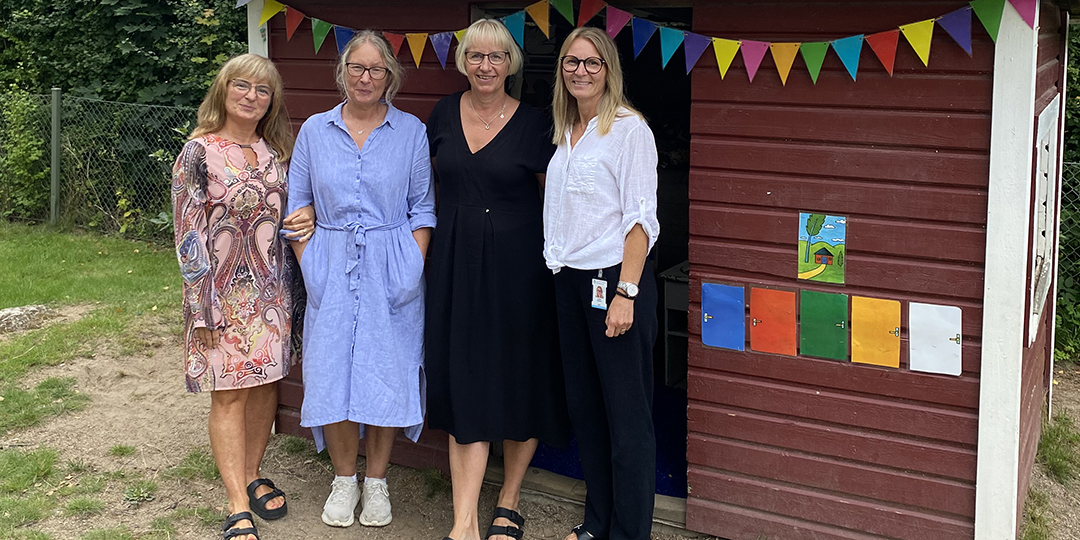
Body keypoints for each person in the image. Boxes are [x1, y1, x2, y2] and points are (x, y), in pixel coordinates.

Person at [425, 18, 569, 540]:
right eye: (476, 56)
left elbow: (558, 200)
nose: (485, 66)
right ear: (463, 62)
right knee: (466, 375)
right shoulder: (441, 114)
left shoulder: (536, 123)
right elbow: (419, 188)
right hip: (455, 262)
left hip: (520, 265)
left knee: (520, 373)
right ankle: (463, 520)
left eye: (496, 57)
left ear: (511, 64)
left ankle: (508, 499)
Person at [286, 30, 435, 529]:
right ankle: (344, 479)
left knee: (386, 370)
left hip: (392, 261)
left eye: (375, 69)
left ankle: (377, 482)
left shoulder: (410, 131)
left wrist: (411, 266)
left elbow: (423, 209)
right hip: (329, 257)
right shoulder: (314, 130)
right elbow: (297, 207)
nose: (366, 78)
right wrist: (310, 262)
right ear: (343, 74)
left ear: (389, 75)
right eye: (357, 68)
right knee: (332, 371)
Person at [172, 53, 315, 540]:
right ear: (224, 90)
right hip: (221, 294)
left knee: (265, 386)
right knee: (229, 394)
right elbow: (188, 238)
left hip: (272, 292)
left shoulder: (278, 151)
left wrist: (307, 217)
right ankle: (237, 502)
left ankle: (253, 473)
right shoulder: (199, 152)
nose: (252, 96)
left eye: (263, 89)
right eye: (242, 86)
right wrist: (201, 306)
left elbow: (291, 213)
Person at [543, 27, 661, 540]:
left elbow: (641, 220)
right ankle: (597, 523)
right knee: (587, 410)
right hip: (569, 283)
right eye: (572, 62)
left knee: (626, 418)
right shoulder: (566, 129)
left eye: (592, 63)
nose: (581, 71)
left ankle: (629, 531)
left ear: (608, 69)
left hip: (615, 283)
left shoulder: (629, 129)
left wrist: (626, 293)